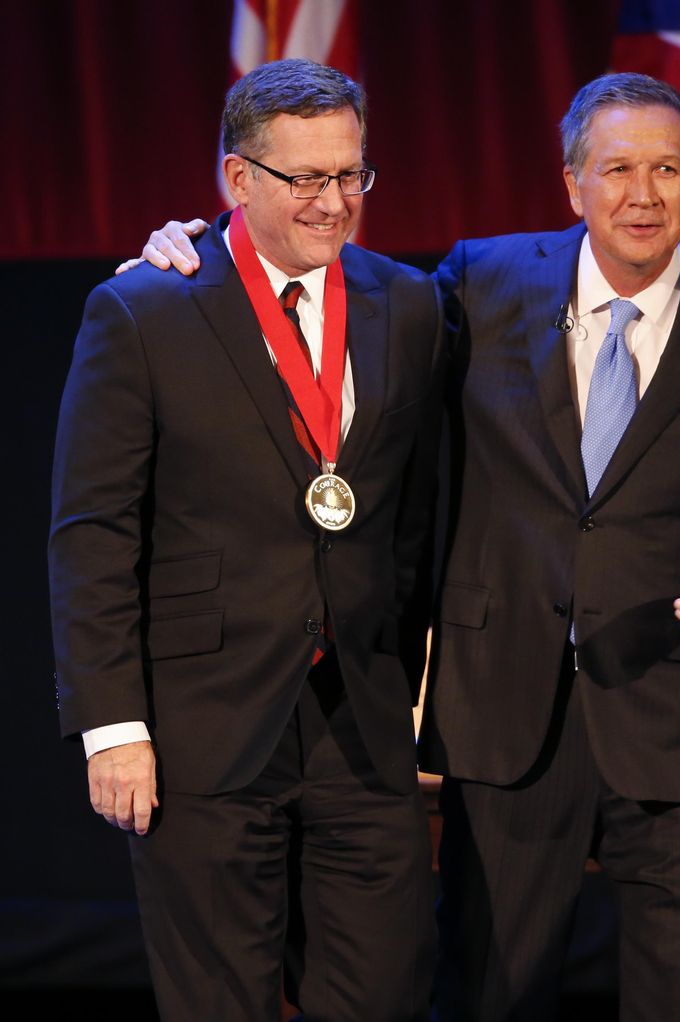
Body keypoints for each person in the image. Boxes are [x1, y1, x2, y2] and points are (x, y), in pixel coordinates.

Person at [130, 72, 680, 1022]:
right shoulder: (482, 283)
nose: (644, 195)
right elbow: (321, 291)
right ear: (572, 183)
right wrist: (198, 244)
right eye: (618, 168)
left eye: (667, 169)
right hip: (506, 718)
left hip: (678, 718)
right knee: (491, 991)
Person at [49, 58, 443, 1022]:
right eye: (306, 178)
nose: (334, 203)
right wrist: (113, 727)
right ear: (238, 178)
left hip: (363, 724)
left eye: (350, 173)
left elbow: (420, 518)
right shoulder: (143, 308)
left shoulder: (411, 303)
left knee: (383, 993)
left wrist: (423, 695)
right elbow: (93, 532)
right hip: (202, 728)